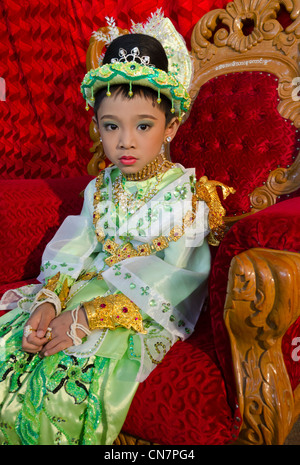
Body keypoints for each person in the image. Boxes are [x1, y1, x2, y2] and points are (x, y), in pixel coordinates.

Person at [0, 11, 211, 445]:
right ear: (97, 125)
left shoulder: (186, 196)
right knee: (13, 352)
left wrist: (87, 316)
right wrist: (49, 299)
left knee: (63, 389)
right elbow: (75, 244)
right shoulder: (100, 187)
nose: (125, 141)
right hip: (79, 287)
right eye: (111, 126)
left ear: (171, 127)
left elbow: (177, 279)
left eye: (143, 126)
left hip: (128, 307)